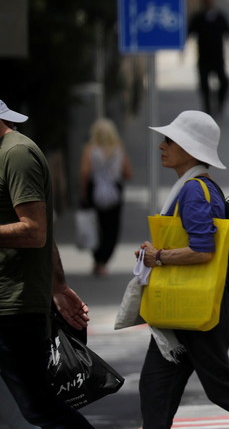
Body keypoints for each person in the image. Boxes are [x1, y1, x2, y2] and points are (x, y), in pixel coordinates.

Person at [136, 110, 229, 429]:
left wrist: (158, 256)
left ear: (189, 149)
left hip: (200, 309)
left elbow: (203, 250)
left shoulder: (194, 192)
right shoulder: (195, 188)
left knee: (223, 387)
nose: (161, 146)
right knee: (155, 390)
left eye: (169, 140)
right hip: (184, 309)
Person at [0, 99, 94, 428]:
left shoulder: (16, 154)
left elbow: (35, 230)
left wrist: (53, 286)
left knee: (39, 407)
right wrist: (58, 285)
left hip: (13, 306)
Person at [80, 117, 133, 276]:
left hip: (94, 190)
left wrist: (84, 193)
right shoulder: (118, 149)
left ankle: (97, 259)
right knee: (112, 229)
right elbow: (128, 173)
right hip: (114, 192)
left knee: (96, 227)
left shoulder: (90, 150)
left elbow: (85, 173)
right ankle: (103, 261)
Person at [188, 0, 229, 117]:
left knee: (224, 82)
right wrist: (182, 53)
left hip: (218, 57)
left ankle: (219, 104)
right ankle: (207, 109)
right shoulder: (198, 17)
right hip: (203, 57)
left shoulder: (220, 16)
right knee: (204, 85)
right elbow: (188, 34)